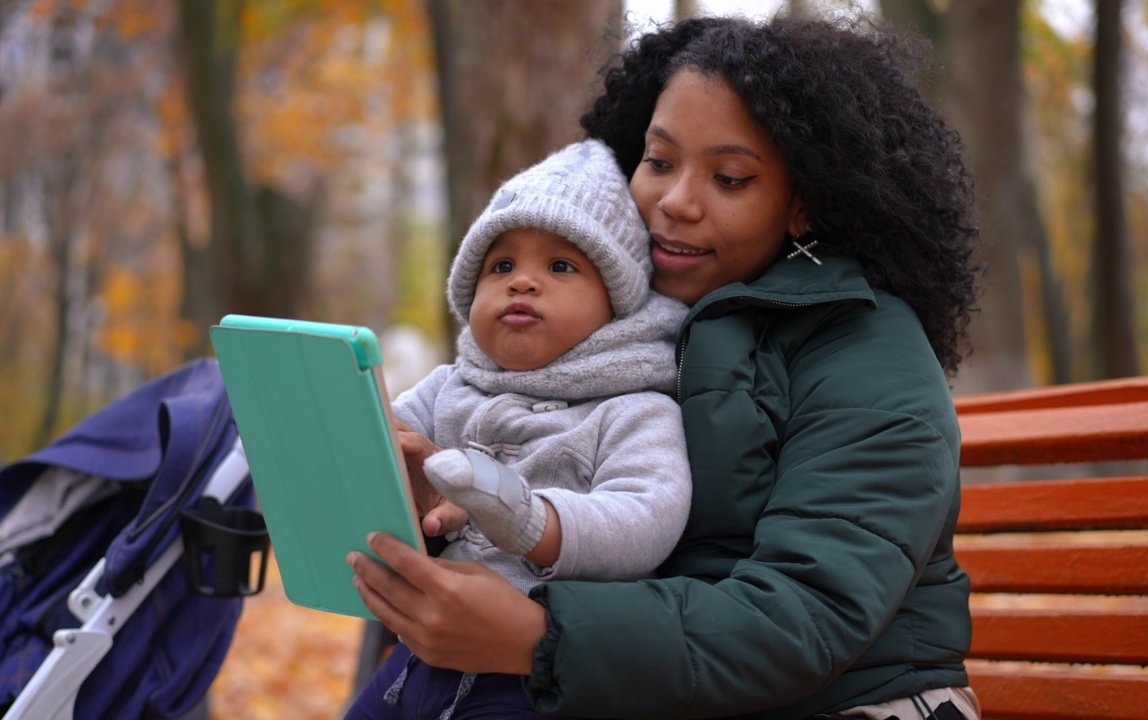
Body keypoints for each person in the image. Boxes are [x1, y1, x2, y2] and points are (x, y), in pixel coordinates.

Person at [348, 9, 983, 720]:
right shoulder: (623, 335)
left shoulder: (866, 347)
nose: (675, 203)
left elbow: (808, 612)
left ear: (804, 204)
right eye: (659, 161)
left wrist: (539, 635)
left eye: (732, 177)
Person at [345, 139, 693, 718]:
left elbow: (649, 514)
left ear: (616, 301)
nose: (522, 282)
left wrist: (534, 519)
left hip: (534, 682)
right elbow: (386, 443)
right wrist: (367, 439)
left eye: (560, 266)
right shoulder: (451, 385)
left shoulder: (632, 407)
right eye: (501, 265)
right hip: (418, 656)